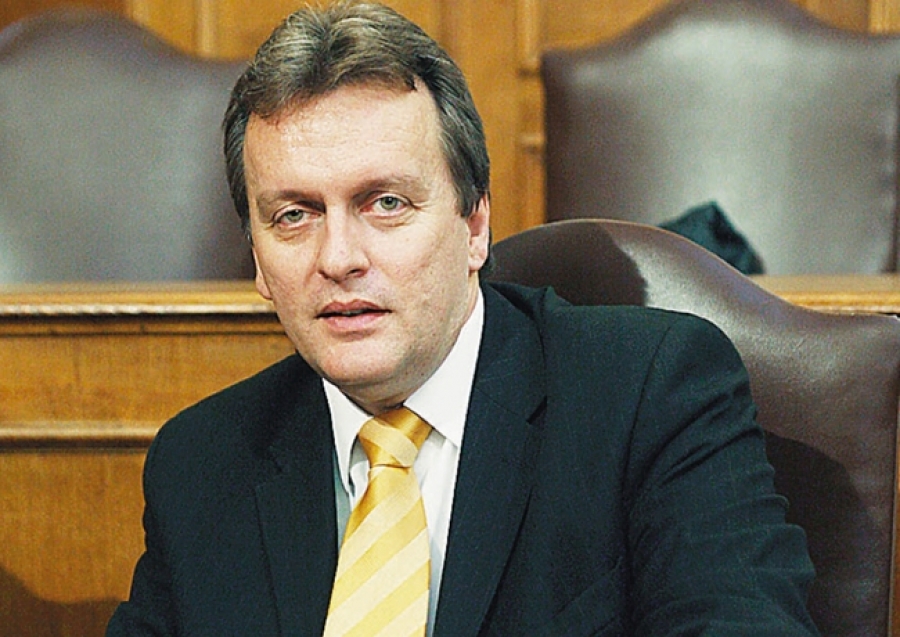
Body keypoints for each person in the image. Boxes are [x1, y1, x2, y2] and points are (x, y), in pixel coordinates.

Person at [108, 2, 819, 635]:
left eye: (386, 203)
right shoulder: (202, 464)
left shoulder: (649, 397)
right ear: (259, 263)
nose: (339, 257)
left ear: (474, 224)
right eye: (294, 215)